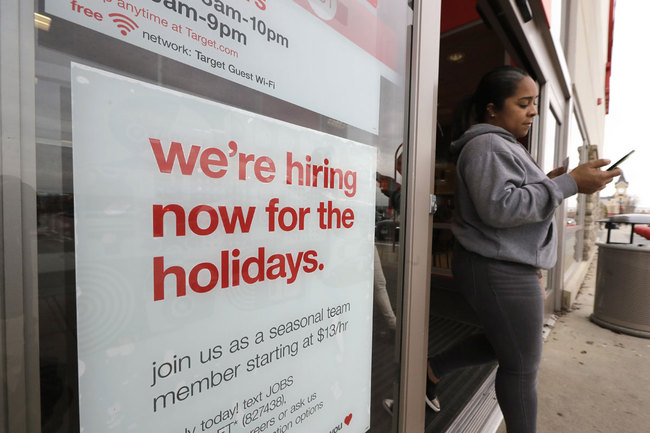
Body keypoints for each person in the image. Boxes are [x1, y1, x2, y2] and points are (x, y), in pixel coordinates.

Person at [422, 66, 621, 432]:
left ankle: (432, 371)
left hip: (507, 265)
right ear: (492, 109)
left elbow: (508, 200)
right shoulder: (486, 145)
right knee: (521, 366)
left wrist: (551, 182)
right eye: (524, 103)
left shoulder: (503, 145)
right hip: (498, 268)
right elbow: (499, 207)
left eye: (535, 104)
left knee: (509, 346)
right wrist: (567, 184)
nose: (533, 111)